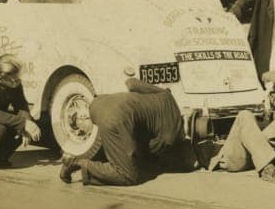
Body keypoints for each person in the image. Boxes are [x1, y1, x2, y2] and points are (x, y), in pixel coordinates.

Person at [59, 77, 196, 187]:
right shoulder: (170, 138)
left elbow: (131, 83)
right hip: (115, 120)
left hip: (100, 102)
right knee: (128, 176)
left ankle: (107, 158)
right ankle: (78, 163)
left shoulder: (166, 95)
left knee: (123, 146)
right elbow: (142, 153)